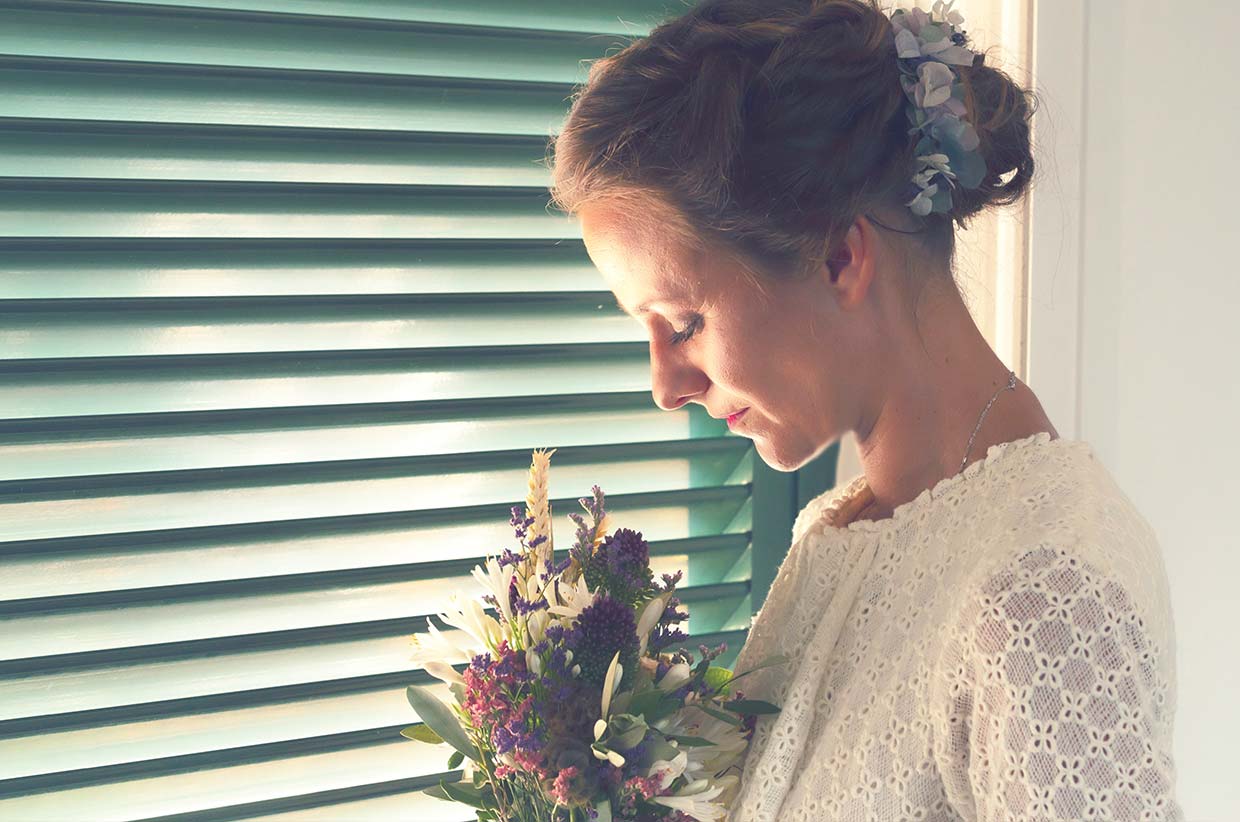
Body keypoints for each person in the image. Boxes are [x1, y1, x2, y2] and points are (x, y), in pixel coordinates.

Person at [547, 0, 1184, 819]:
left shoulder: (1038, 599)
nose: (666, 388)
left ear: (838, 258)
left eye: (684, 323)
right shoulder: (837, 534)